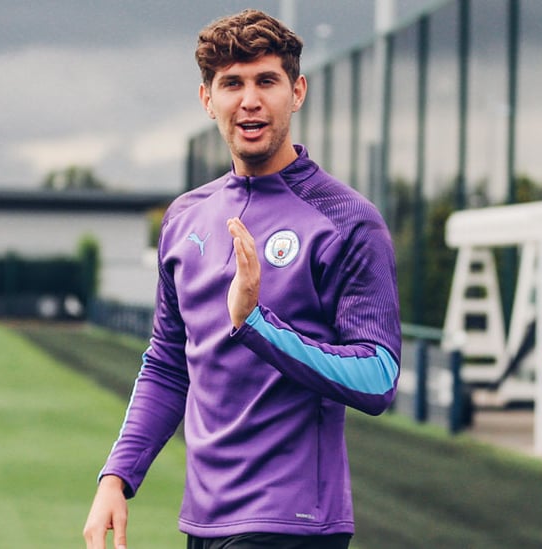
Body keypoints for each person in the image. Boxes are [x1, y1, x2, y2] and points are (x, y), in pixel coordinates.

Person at [83, 9, 400, 549]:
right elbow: (166, 363)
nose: (249, 99)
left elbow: (378, 377)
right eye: (232, 83)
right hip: (205, 520)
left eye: (266, 81)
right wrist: (117, 476)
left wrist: (257, 323)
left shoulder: (348, 220)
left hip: (292, 523)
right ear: (208, 99)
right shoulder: (184, 217)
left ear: (296, 92)